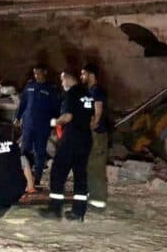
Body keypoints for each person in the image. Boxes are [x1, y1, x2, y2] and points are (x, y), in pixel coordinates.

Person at [39, 70, 94, 221]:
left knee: (58, 172)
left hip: (72, 138)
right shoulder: (87, 94)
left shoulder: (71, 93)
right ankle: (78, 212)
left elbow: (68, 116)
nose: (62, 83)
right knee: (80, 175)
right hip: (86, 138)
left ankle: (55, 209)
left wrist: (54, 122)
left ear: (68, 79)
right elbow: (92, 118)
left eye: (62, 80)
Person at [15, 63, 60, 187]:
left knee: (39, 152)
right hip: (28, 125)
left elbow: (56, 109)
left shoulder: (51, 89)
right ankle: (23, 177)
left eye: (39, 73)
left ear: (45, 72)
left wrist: (54, 125)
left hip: (42, 126)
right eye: (35, 73)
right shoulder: (30, 86)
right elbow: (23, 103)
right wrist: (17, 117)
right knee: (24, 150)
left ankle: (37, 180)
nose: (36, 76)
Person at [82, 63, 108, 212]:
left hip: (97, 134)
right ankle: (91, 197)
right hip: (92, 134)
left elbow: (98, 113)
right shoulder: (90, 91)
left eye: (83, 73)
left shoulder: (97, 91)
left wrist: (90, 127)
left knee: (96, 168)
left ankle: (98, 203)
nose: (82, 76)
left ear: (91, 75)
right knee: (90, 167)